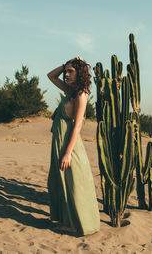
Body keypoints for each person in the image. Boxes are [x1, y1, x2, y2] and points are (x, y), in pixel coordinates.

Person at [46, 56, 100, 236]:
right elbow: (51, 76)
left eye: (71, 71)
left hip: (69, 145)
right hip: (59, 142)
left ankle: (77, 224)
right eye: (66, 71)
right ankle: (66, 220)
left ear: (80, 74)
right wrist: (64, 64)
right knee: (60, 183)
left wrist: (68, 153)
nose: (66, 75)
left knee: (74, 184)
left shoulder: (81, 94)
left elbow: (78, 125)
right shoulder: (70, 90)